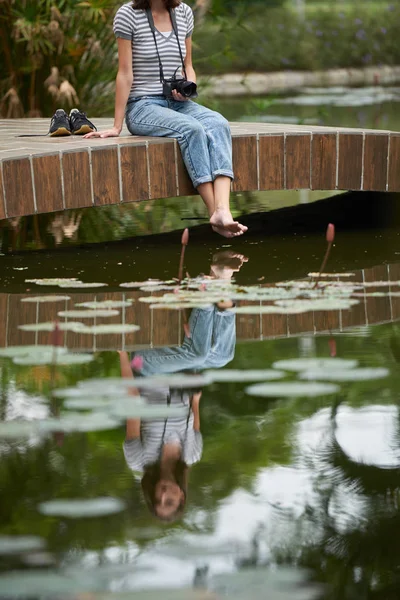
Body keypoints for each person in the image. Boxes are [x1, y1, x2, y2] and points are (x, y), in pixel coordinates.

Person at [84, 0, 248, 239]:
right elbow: (124, 73)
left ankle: (223, 210)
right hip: (143, 106)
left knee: (219, 123)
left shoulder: (183, 13)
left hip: (179, 102)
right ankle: (216, 214)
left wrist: (188, 87)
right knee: (191, 129)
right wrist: (117, 126)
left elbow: (188, 66)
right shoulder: (128, 14)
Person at [119, 251, 247, 521]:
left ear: (152, 492)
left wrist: (122, 353)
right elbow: (195, 405)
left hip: (146, 368)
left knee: (199, 353)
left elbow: (132, 401)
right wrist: (195, 392)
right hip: (184, 370)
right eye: (171, 501)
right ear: (182, 495)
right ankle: (220, 283)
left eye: (160, 500)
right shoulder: (193, 453)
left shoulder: (138, 460)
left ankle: (207, 288)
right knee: (223, 356)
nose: (166, 496)